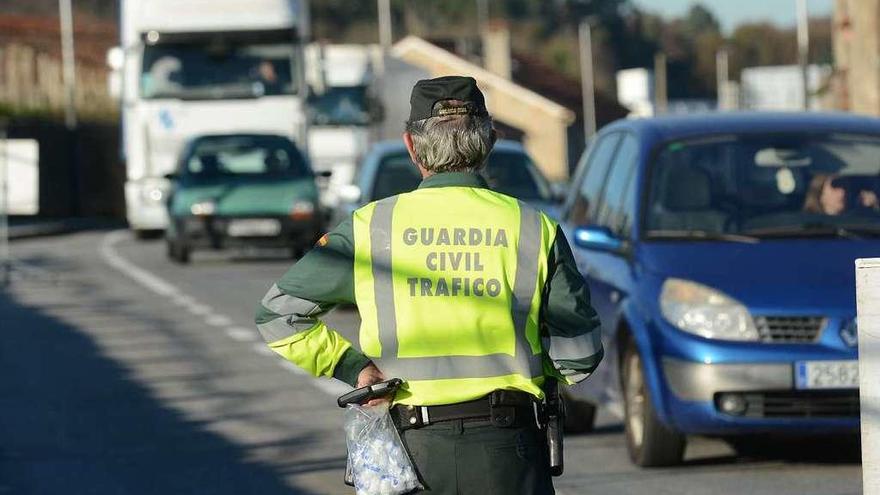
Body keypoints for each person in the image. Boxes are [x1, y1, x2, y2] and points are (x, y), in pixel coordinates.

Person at [254, 76, 603, 494]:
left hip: (406, 454)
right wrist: (540, 373)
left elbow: (277, 315)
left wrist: (354, 368)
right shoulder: (534, 227)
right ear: (490, 140)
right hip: (509, 450)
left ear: (411, 145)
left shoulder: (370, 227)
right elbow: (580, 355)